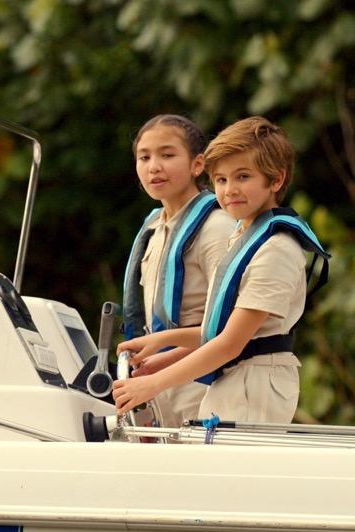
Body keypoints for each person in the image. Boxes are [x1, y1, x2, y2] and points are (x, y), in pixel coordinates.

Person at [113, 116, 330, 424]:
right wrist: (162, 347)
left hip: (253, 384)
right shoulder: (243, 236)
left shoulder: (275, 248)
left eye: (243, 177)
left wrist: (152, 383)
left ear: (276, 180)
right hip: (232, 379)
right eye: (221, 180)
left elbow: (232, 342)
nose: (229, 190)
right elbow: (220, 330)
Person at [120, 114, 234, 427]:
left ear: (198, 165)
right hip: (158, 380)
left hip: (203, 383)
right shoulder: (154, 228)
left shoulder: (217, 227)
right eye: (144, 157)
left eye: (167, 155)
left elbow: (231, 326)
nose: (154, 166)